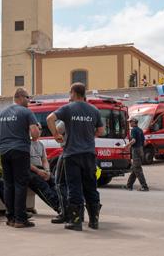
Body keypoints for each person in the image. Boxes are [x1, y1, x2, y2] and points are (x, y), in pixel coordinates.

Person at [46, 82, 104, 231]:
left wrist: (56, 135)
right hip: (89, 154)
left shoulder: (68, 109)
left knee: (74, 187)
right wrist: (88, 135)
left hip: (72, 154)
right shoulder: (94, 110)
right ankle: (94, 221)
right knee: (91, 187)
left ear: (73, 92)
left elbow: (49, 119)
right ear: (84, 93)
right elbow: (101, 131)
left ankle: (76, 221)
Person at [0, 88, 40, 228]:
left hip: (5, 152)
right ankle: (20, 219)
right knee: (20, 184)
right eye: (28, 97)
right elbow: (35, 133)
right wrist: (33, 137)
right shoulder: (26, 112)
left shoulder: (2, 113)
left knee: (8, 184)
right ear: (21, 97)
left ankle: (10, 218)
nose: (29, 101)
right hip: (20, 151)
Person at [28, 133, 66, 222]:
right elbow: (25, 162)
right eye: (37, 128)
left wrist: (48, 172)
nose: (38, 131)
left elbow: (44, 160)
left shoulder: (40, 144)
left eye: (40, 129)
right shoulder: (25, 143)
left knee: (54, 182)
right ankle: (59, 208)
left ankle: (65, 205)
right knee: (42, 185)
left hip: (40, 169)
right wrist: (38, 171)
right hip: (30, 170)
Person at [124, 117, 149, 191]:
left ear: (134, 122)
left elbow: (133, 140)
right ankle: (129, 186)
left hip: (136, 150)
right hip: (141, 150)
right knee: (134, 169)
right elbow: (144, 142)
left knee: (137, 169)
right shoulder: (140, 130)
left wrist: (127, 146)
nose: (129, 123)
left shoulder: (134, 130)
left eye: (130, 122)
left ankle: (144, 186)